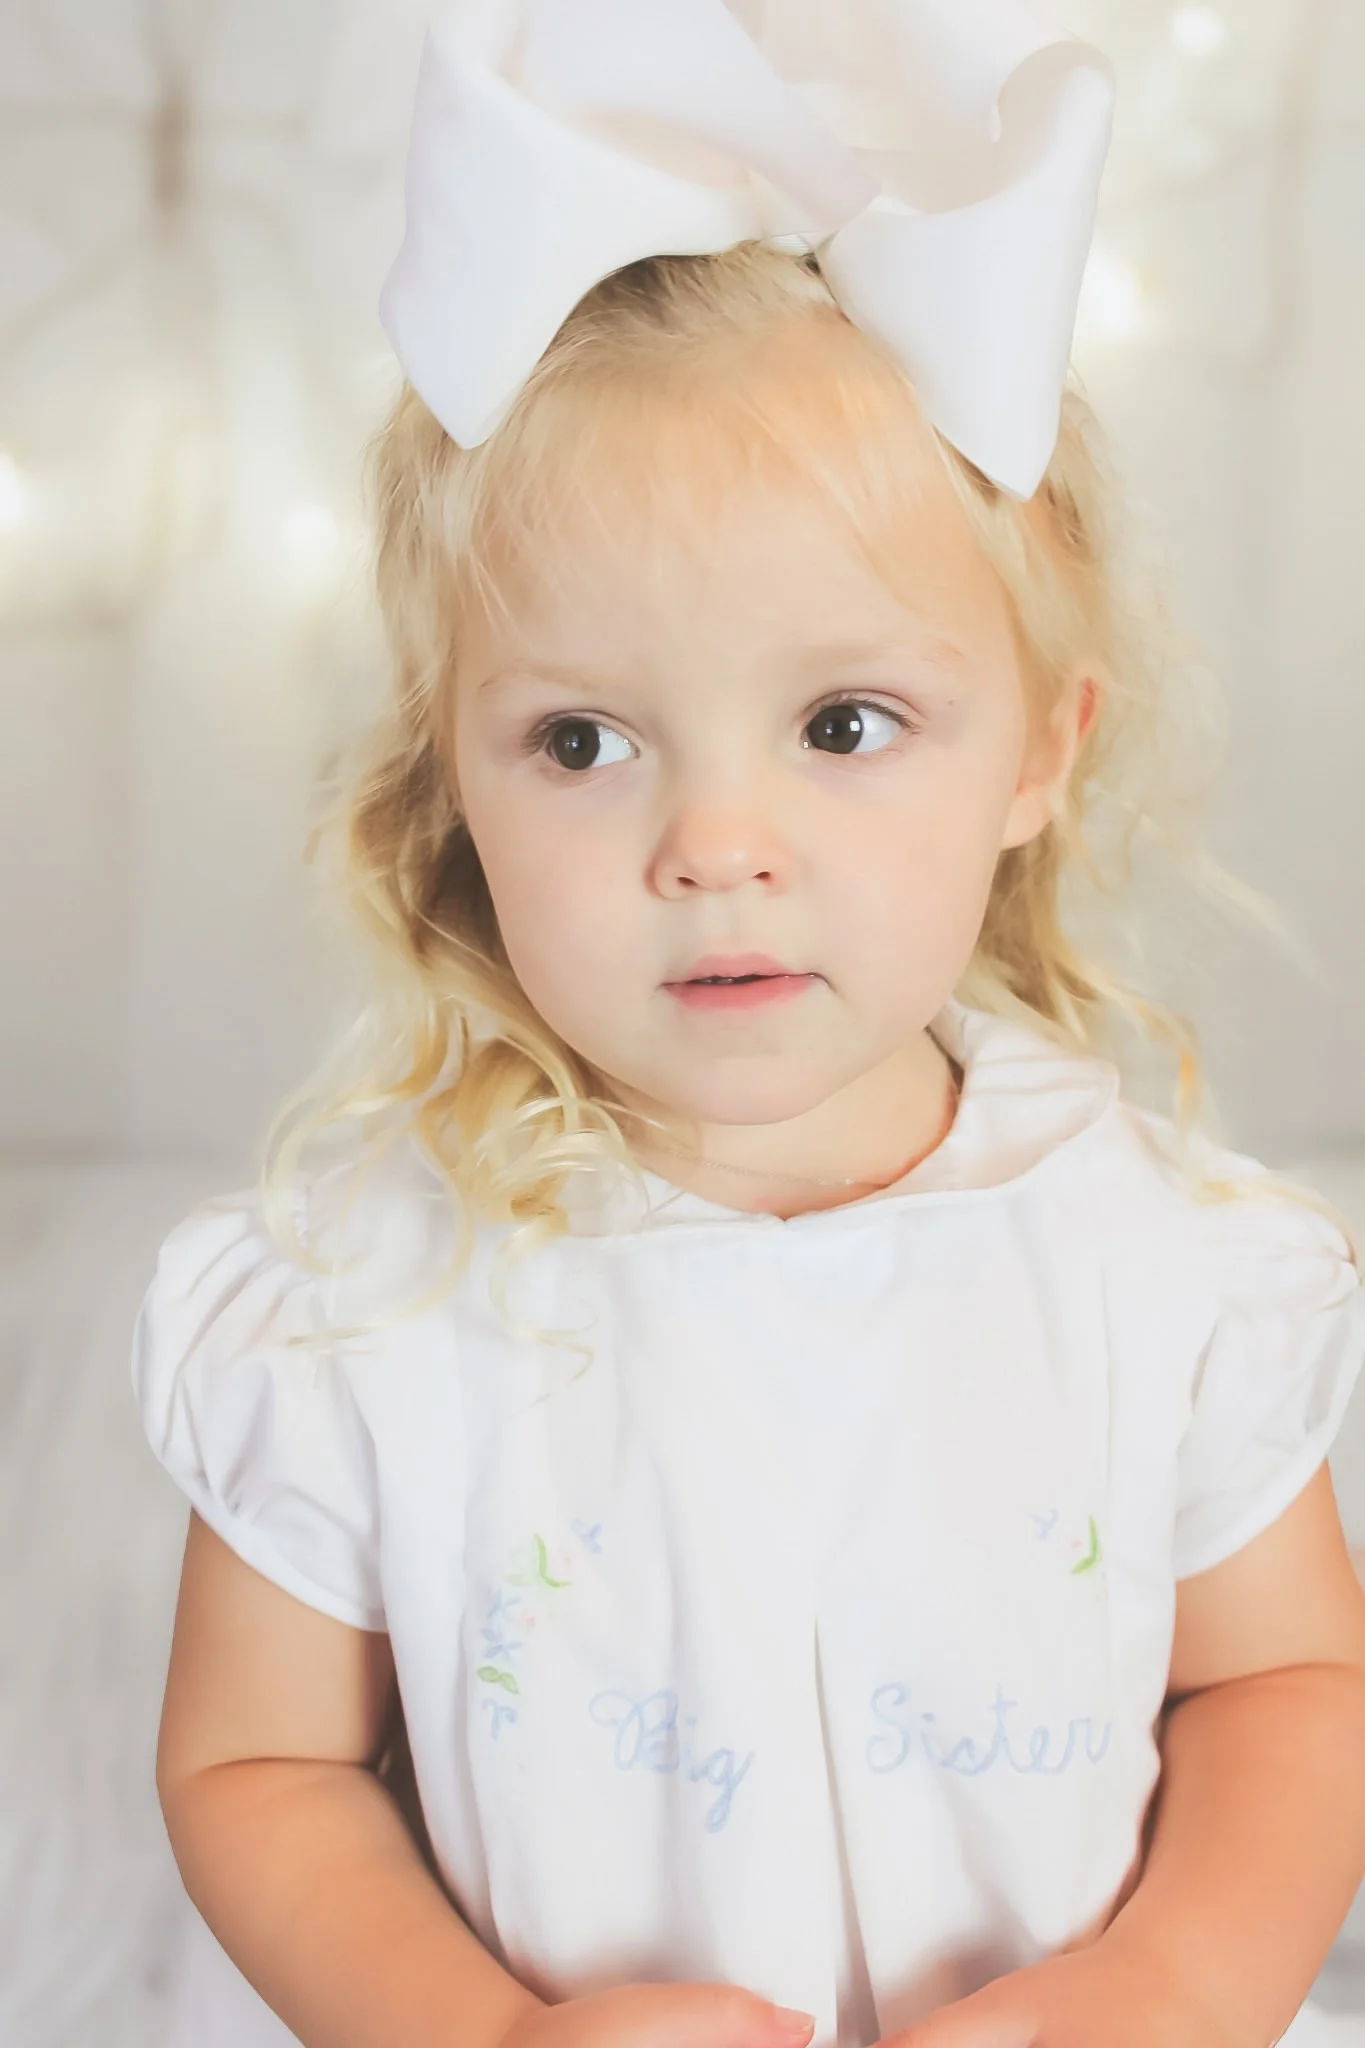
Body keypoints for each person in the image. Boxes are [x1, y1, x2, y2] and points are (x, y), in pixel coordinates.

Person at [132, 3, 1365, 2045]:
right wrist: (485, 2035)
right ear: (453, 776)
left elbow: (1285, 1683)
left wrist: (1174, 1980)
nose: (716, 846)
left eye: (844, 724)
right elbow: (258, 1767)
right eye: (583, 739)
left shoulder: (1159, 1264)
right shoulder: (361, 1304)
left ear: (1040, 750)